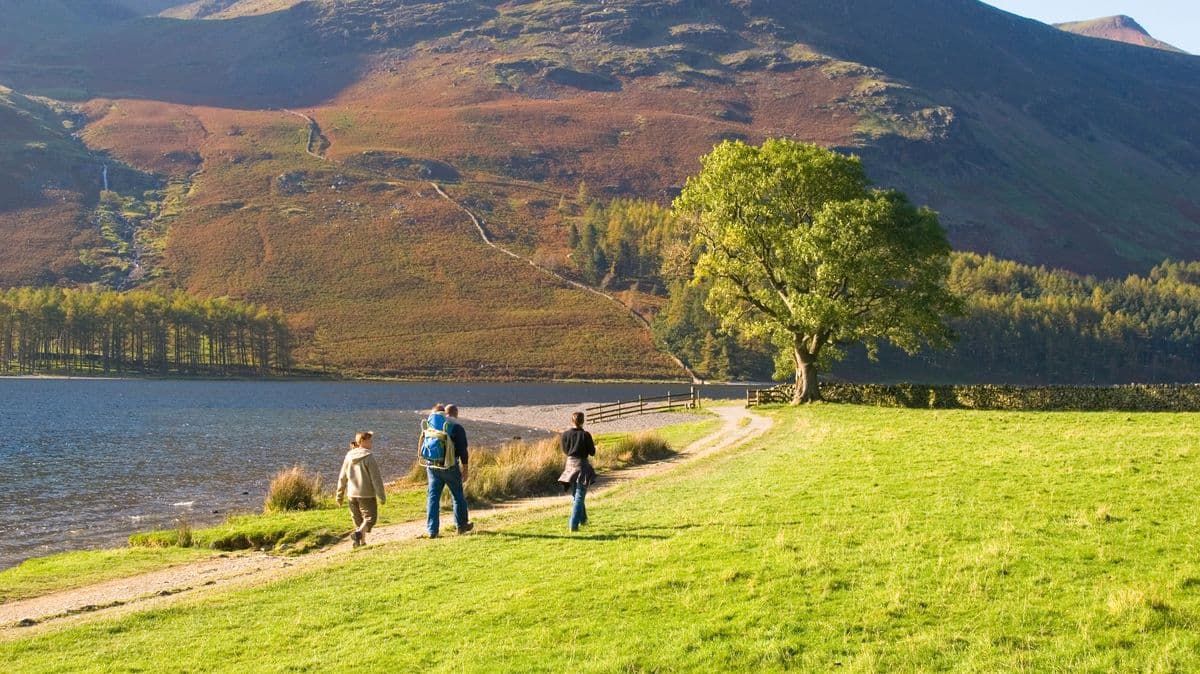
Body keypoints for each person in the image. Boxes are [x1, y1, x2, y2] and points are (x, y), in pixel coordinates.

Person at [419, 403, 472, 537]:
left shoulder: (431, 426)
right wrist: (465, 469)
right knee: (458, 496)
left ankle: (432, 531)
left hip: (432, 466)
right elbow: (463, 451)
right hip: (450, 466)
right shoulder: (456, 428)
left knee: (433, 497)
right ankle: (461, 526)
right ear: (456, 414)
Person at [336, 431, 387, 547]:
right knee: (370, 519)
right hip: (366, 494)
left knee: (358, 520)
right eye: (370, 441)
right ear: (362, 442)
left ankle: (361, 542)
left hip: (351, 494)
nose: (371, 443)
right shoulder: (369, 457)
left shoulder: (349, 456)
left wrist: (339, 495)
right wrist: (381, 495)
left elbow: (342, 477)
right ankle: (358, 534)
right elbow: (376, 478)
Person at [557, 411, 597, 532]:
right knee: (579, 496)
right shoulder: (586, 435)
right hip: (582, 466)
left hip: (569, 465)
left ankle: (583, 519)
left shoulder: (565, 435)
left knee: (576, 495)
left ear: (572, 421)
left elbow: (565, 451)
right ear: (583, 421)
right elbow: (592, 452)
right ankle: (573, 525)